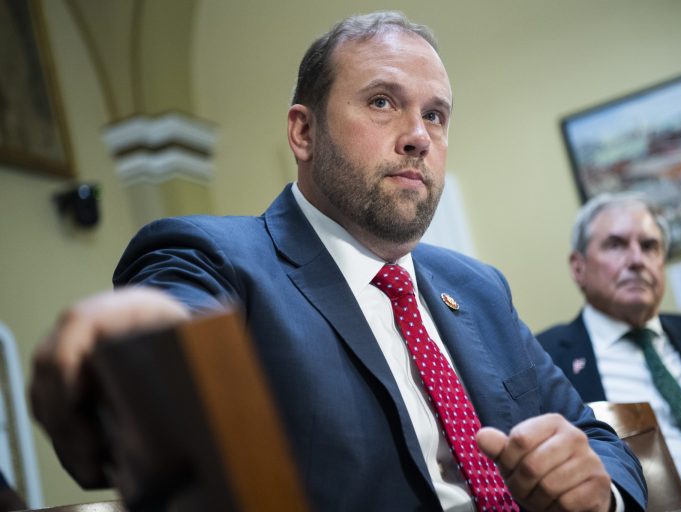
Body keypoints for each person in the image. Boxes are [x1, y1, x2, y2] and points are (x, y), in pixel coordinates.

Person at [30, 12, 645, 511]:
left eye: (435, 115)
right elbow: (173, 329)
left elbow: (593, 436)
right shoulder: (214, 258)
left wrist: (602, 494)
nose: (418, 136)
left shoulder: (478, 286)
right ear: (303, 132)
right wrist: (146, 346)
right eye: (382, 102)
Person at [537, 192, 681, 501]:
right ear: (579, 268)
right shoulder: (546, 360)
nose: (636, 260)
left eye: (649, 246)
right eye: (616, 245)